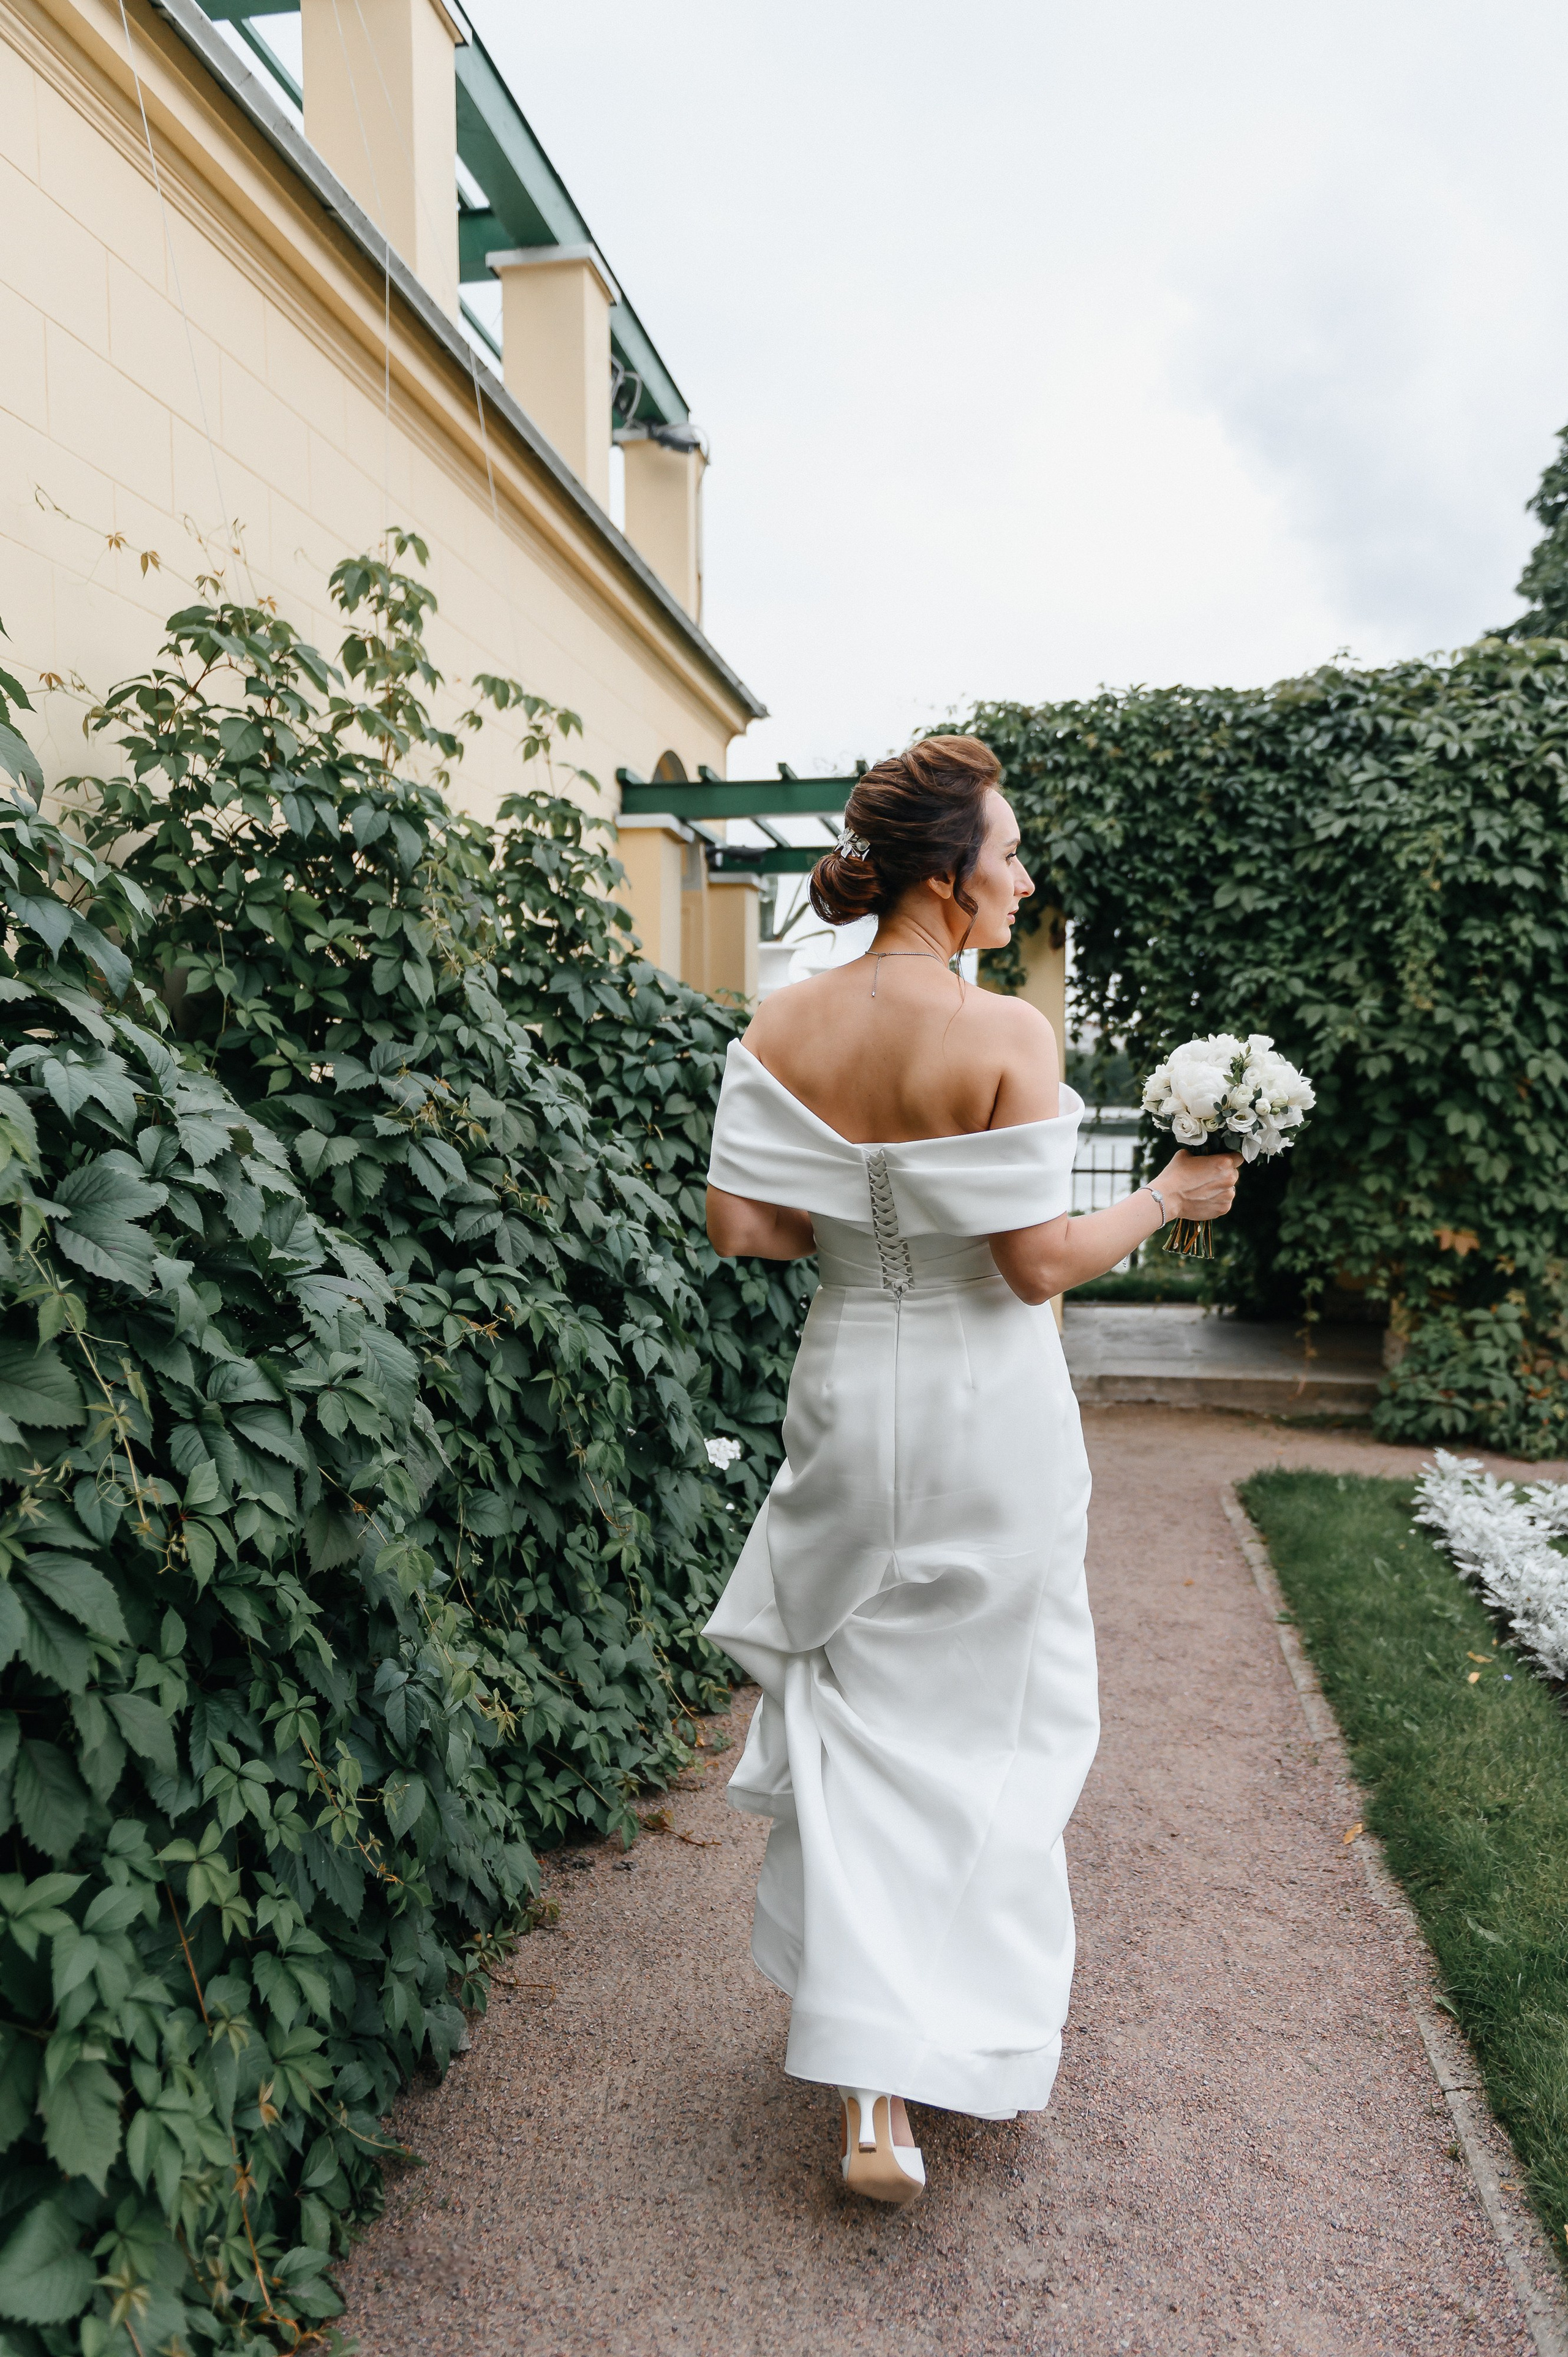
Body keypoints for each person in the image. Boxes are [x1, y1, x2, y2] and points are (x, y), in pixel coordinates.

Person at [703, 735, 1239, 2206]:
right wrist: (1169, 1193)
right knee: (993, 1725)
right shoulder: (1006, 1035)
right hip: (983, 1414)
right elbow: (1029, 1268)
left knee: (864, 1713)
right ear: (946, 874)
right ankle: (939, 2040)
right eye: (1005, 853)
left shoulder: (780, 1020)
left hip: (843, 1389)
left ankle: (872, 2082)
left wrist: (865, 1206)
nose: (1020, 877)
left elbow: (744, 1231)